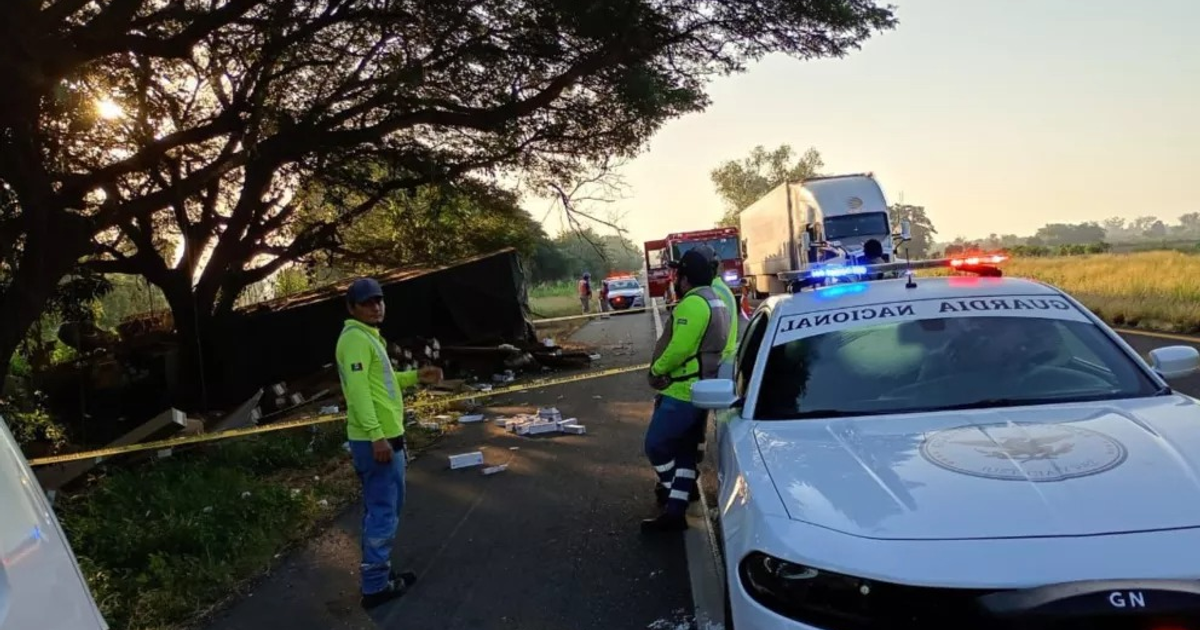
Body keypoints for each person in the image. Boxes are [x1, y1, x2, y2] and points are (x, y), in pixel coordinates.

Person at [336, 278, 444, 610]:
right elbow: (358, 394)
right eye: (367, 302)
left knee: (385, 508)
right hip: (376, 441)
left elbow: (380, 383)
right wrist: (376, 436)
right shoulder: (355, 340)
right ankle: (375, 586)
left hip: (386, 437)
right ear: (352, 308)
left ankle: (380, 570)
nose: (376, 306)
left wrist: (414, 377)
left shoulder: (370, 338)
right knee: (383, 511)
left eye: (379, 300)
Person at [642, 249, 731, 534]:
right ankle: (675, 511)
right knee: (683, 452)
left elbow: (678, 348)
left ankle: (671, 488)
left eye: (677, 273)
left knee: (656, 445)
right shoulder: (717, 298)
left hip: (681, 390)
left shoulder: (693, 304)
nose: (675, 278)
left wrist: (657, 371)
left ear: (685, 276)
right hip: (702, 386)